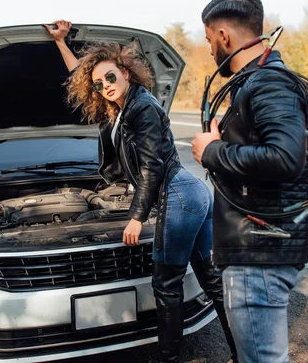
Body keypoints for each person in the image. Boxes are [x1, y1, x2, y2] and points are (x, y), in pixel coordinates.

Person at [45, 20, 238, 363]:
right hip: (192, 195)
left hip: (177, 195)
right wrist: (61, 42)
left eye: (110, 77)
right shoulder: (122, 108)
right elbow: (82, 73)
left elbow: (154, 167)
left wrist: (135, 217)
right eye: (98, 83)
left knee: (166, 285)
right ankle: (245, 353)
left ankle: (168, 357)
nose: (105, 85)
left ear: (127, 73)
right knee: (213, 282)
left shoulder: (142, 107)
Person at [191, 0, 308, 363]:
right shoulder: (260, 80)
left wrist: (212, 151)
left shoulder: (267, 81)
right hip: (257, 248)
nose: (209, 49)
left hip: (258, 254)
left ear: (223, 36)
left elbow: (284, 157)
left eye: (207, 39)